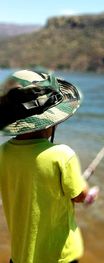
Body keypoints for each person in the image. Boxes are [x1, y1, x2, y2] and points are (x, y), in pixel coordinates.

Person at [0, 69, 97, 263]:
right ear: (51, 121)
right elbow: (79, 196)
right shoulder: (62, 155)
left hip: (21, 256)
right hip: (60, 256)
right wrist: (87, 191)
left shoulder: (3, 153)